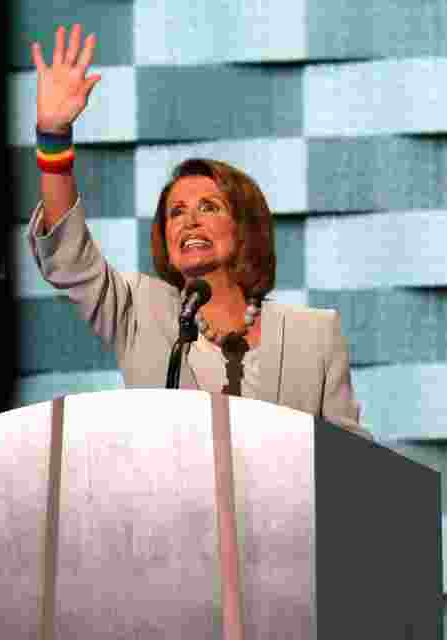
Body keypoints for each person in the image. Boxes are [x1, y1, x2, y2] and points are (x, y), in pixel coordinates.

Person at [27, 24, 369, 438]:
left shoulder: (315, 335)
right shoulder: (139, 312)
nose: (189, 220)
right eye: (176, 212)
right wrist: (53, 136)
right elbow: (69, 258)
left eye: (209, 206)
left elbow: (352, 465)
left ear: (244, 226)